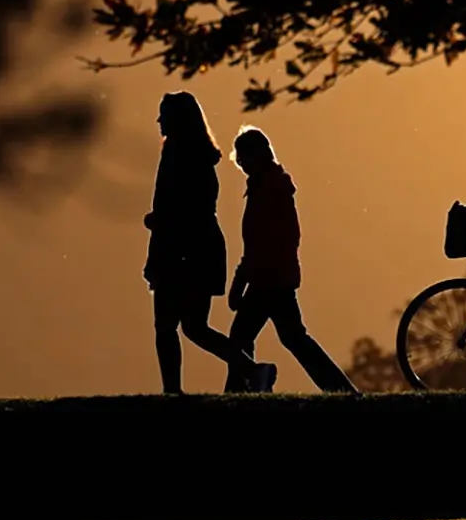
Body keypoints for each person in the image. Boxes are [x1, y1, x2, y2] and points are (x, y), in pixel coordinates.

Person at [143, 92, 277, 394]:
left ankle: (172, 391)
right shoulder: (202, 157)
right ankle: (252, 370)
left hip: (181, 251)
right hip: (202, 249)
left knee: (167, 326)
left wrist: (158, 222)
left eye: (164, 115)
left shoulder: (177, 155)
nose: (159, 121)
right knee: (194, 326)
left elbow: (181, 209)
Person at [224, 126, 358, 393]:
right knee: (292, 337)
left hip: (268, 278)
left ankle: (241, 389)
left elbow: (262, 241)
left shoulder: (268, 189)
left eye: (244, 157)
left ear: (257, 156)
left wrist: (241, 279)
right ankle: (340, 389)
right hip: (276, 276)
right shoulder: (272, 185)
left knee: (242, 337)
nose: (241, 164)